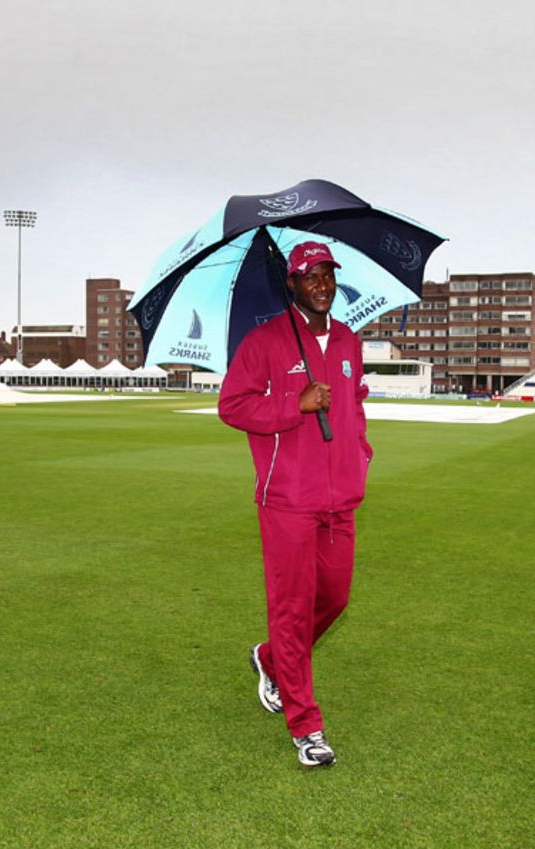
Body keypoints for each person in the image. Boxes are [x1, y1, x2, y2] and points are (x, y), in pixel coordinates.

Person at [218, 241, 372, 768]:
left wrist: (360, 456)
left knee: (333, 597)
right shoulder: (264, 342)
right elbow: (231, 405)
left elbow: (354, 411)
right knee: (291, 606)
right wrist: (294, 403)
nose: (322, 285)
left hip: (340, 498)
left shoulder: (350, 342)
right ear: (292, 283)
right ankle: (306, 726)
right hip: (287, 498)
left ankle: (270, 659)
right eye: (310, 277)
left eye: (328, 275)